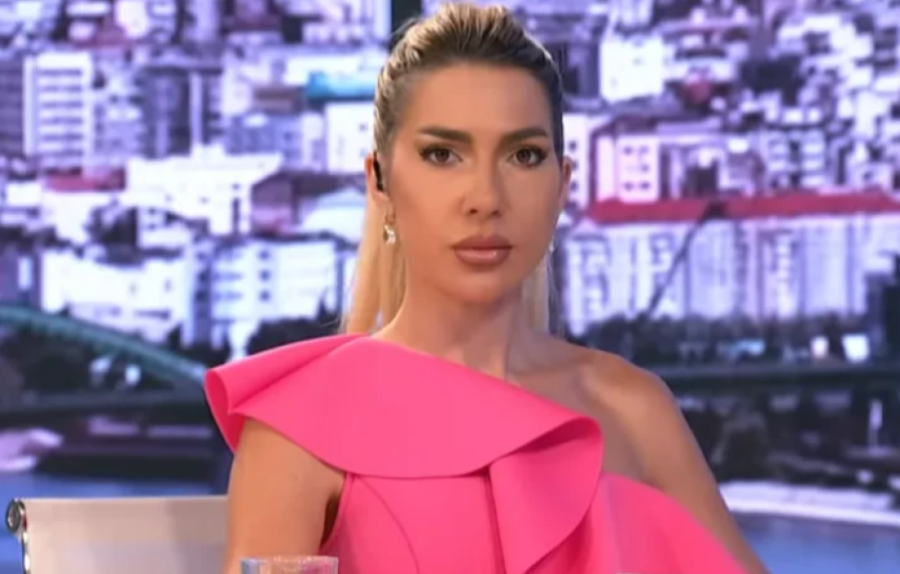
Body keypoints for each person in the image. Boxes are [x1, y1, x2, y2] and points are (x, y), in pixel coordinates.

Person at [206, 4, 771, 574]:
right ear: (379, 182)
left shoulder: (635, 411)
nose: (485, 198)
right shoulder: (301, 430)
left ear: (561, 185)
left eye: (523, 156)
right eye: (442, 155)